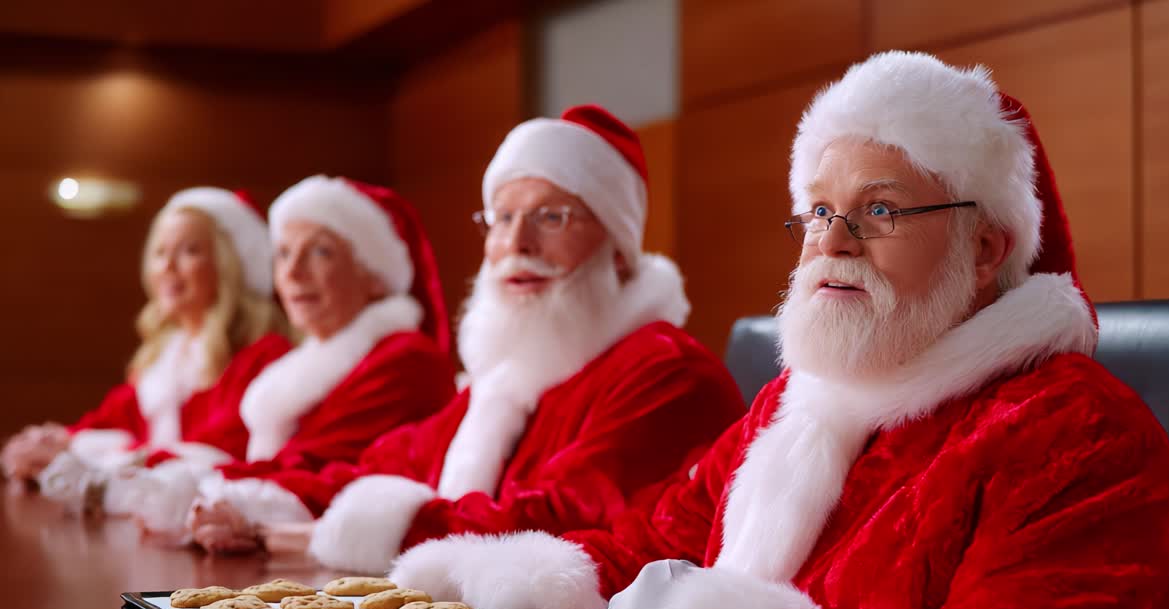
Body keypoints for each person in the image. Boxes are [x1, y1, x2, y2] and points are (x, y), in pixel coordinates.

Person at [383, 54, 1169, 609]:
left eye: (880, 211)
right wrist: (509, 580)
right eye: (818, 212)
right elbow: (646, 542)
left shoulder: (1078, 434)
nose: (832, 243)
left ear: (984, 250)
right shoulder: (792, 404)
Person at [188, 105, 746, 568]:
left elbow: (561, 519)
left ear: (619, 251)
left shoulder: (667, 371)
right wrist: (249, 502)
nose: (517, 243)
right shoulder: (514, 375)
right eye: (501, 219)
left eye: (551, 217)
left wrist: (359, 535)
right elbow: (387, 464)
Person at [52, 177, 457, 537]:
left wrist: (173, 490)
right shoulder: (301, 365)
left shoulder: (406, 360)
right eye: (283, 253)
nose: (293, 273)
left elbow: (322, 468)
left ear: (375, 276)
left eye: (320, 253)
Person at [2, 187, 290, 488]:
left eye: (189, 251)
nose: (167, 266)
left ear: (230, 264)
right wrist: (56, 441)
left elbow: (220, 457)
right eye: (160, 252)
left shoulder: (263, 356)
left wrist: (84, 458)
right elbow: (111, 419)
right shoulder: (163, 357)